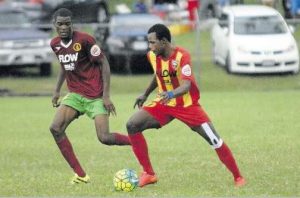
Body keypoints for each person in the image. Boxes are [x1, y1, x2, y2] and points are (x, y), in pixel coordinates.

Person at [126, 24, 246, 188]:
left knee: (214, 139)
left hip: (187, 105)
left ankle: (238, 177)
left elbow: (186, 86)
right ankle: (149, 173)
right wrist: (145, 94)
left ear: (164, 41)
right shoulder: (153, 56)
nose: (150, 46)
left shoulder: (182, 56)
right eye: (149, 43)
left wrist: (170, 94)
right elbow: (158, 74)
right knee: (132, 125)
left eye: (153, 42)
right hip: (163, 103)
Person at [49, 8, 131, 184]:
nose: (64, 27)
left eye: (67, 24)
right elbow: (65, 66)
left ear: (72, 24)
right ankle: (81, 175)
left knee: (104, 138)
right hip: (75, 95)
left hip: (95, 96)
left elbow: (104, 63)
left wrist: (106, 96)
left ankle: (135, 142)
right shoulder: (55, 44)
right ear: (54, 25)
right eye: (60, 24)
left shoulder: (85, 40)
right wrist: (57, 90)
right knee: (55, 128)